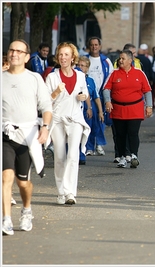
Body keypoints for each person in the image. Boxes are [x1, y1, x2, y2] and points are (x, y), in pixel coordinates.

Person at [3, 39, 53, 235]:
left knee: (23, 182)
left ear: (26, 57)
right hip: (5, 134)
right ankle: (6, 219)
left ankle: (26, 210)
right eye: (11, 50)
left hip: (27, 135)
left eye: (18, 51)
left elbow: (46, 107)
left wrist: (46, 127)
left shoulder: (34, 79)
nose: (13, 53)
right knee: (6, 176)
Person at [45, 42, 91, 205]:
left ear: (73, 58)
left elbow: (84, 91)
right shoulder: (52, 77)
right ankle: (60, 192)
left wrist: (83, 96)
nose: (63, 57)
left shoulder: (79, 75)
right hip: (57, 119)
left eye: (66, 55)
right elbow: (44, 101)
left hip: (75, 118)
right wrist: (56, 92)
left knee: (73, 155)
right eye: (60, 54)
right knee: (59, 156)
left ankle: (70, 192)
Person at [103, 49, 153, 168]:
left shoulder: (139, 74)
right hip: (118, 108)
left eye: (123, 58)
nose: (120, 60)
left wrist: (149, 106)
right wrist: (107, 101)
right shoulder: (114, 73)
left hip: (135, 108)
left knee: (132, 132)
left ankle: (134, 155)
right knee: (120, 134)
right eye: (120, 58)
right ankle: (122, 157)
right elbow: (106, 89)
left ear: (130, 60)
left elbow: (147, 90)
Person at [86, 37, 113, 156]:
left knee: (101, 120)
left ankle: (100, 144)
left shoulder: (105, 60)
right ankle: (89, 146)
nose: (94, 47)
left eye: (96, 45)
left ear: (100, 46)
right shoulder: (85, 60)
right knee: (90, 120)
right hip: (89, 95)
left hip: (102, 94)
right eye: (92, 45)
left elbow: (110, 76)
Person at [76, 56, 105, 164]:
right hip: (76, 106)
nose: (80, 67)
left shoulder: (90, 81)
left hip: (88, 107)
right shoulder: (75, 78)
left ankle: (85, 151)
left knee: (87, 130)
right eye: (78, 65)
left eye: (82, 66)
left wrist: (100, 112)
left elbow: (96, 97)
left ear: (87, 68)